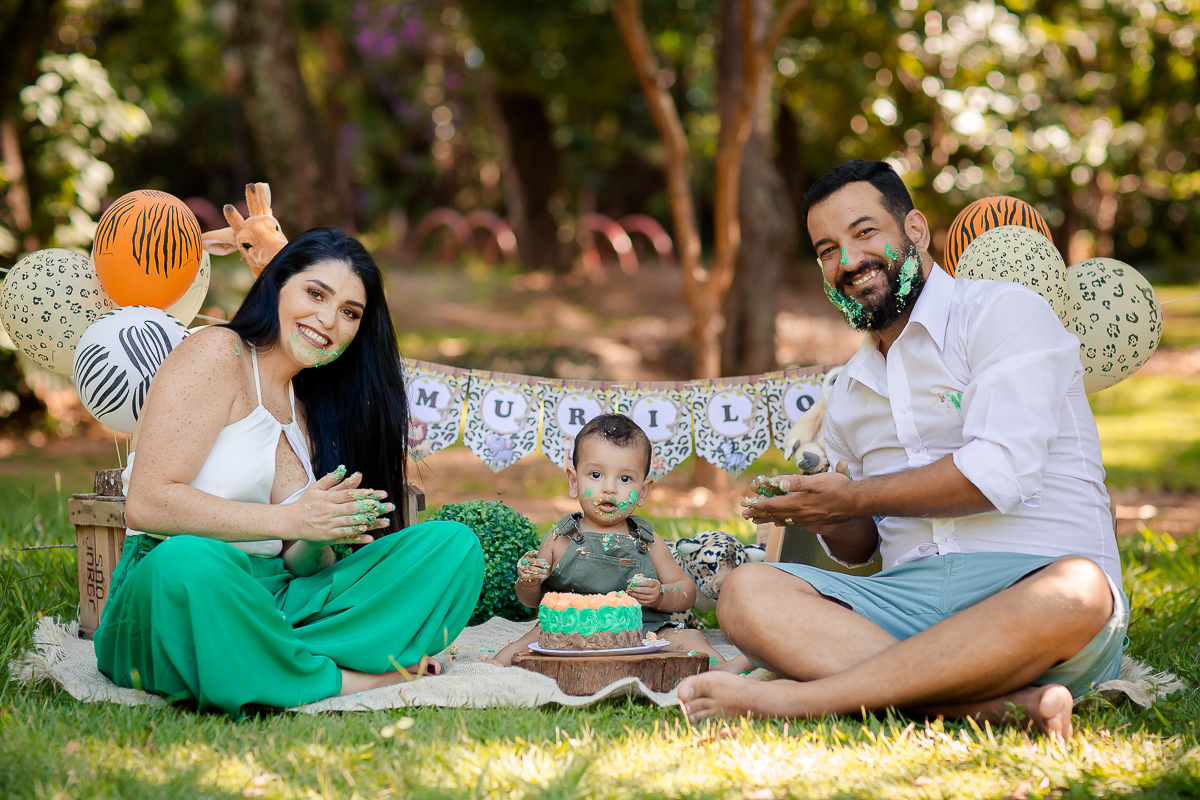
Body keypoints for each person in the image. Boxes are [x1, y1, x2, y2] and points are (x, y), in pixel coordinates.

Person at [678, 160, 1127, 738]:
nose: (848, 261)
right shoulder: (851, 387)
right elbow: (861, 542)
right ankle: (988, 708)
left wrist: (852, 497)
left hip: (1029, 591)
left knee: (1080, 591)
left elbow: (997, 473)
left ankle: (799, 701)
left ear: (914, 230)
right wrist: (824, 512)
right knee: (746, 592)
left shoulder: (1003, 313)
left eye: (866, 233)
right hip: (903, 605)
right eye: (827, 249)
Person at [93, 228, 485, 718]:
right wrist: (292, 521)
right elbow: (147, 503)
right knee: (191, 561)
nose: (327, 320)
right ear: (278, 284)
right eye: (315, 293)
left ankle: (270, 659)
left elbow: (301, 565)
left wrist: (321, 532)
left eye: (349, 312)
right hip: (183, 588)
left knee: (452, 548)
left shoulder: (310, 410)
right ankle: (354, 676)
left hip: (277, 602)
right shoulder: (219, 353)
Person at [493, 414, 734, 668]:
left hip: (643, 631)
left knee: (691, 639)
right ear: (574, 481)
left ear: (643, 491)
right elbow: (530, 600)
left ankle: (727, 670)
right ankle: (489, 673)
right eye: (595, 474)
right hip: (567, 632)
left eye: (625, 479)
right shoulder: (560, 538)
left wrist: (661, 595)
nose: (609, 488)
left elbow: (687, 591)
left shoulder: (647, 541)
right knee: (519, 648)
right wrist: (529, 580)